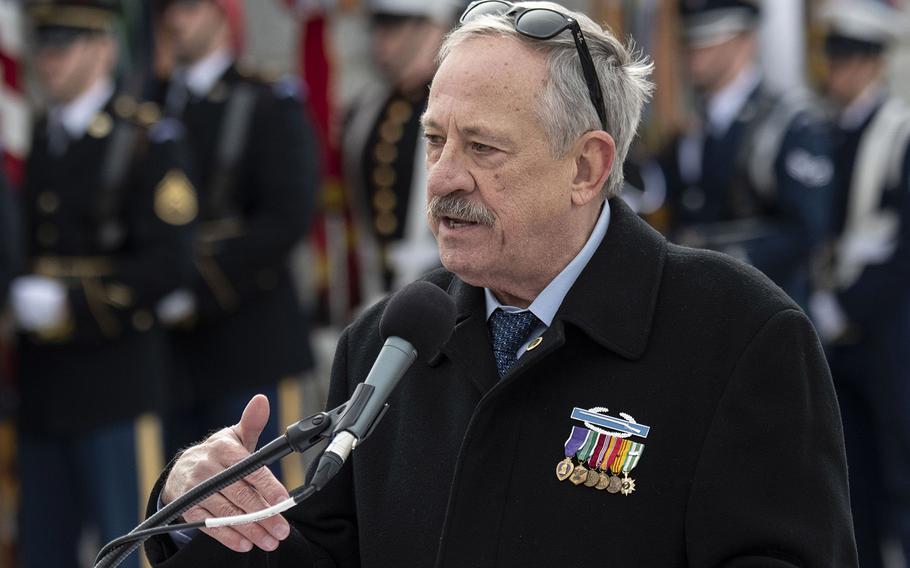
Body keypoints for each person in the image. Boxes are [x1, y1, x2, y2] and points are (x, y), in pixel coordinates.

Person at [145, 1, 857, 566]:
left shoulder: (738, 337)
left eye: (482, 147)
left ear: (586, 168)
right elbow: (328, 556)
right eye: (435, 139)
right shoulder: (388, 340)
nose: (445, 176)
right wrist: (199, 511)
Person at [11, 1, 196, 566]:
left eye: (64, 45)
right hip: (46, 387)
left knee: (129, 544)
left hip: (116, 380)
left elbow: (170, 263)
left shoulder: (144, 138)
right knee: (43, 544)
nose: (48, 61)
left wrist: (70, 303)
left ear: (105, 49)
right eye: (43, 46)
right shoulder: (43, 139)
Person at [152, 0, 321, 467]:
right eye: (167, 11)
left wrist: (194, 284)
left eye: (188, 8)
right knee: (180, 515)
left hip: (251, 339)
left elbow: (286, 218)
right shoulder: (153, 104)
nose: (174, 20)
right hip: (174, 357)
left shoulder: (268, 100)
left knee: (263, 503)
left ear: (222, 14)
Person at [811, 2, 910, 566]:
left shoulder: (899, 132)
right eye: (835, 59)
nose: (838, 72)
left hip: (884, 328)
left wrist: (847, 306)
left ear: (874, 64)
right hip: (835, 325)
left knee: (899, 470)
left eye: (851, 61)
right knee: (853, 477)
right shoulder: (826, 129)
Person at [656, 0, 834, 308]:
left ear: (745, 41)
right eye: (691, 41)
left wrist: (714, 258)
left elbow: (806, 230)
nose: (694, 53)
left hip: (766, 314)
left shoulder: (789, 124)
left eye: (710, 40)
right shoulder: (691, 129)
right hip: (700, 312)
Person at [343, 0, 456, 304]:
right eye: (379, 28)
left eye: (394, 28)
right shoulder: (368, 108)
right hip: (376, 281)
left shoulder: (457, 107)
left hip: (444, 283)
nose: (380, 40)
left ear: (431, 28)